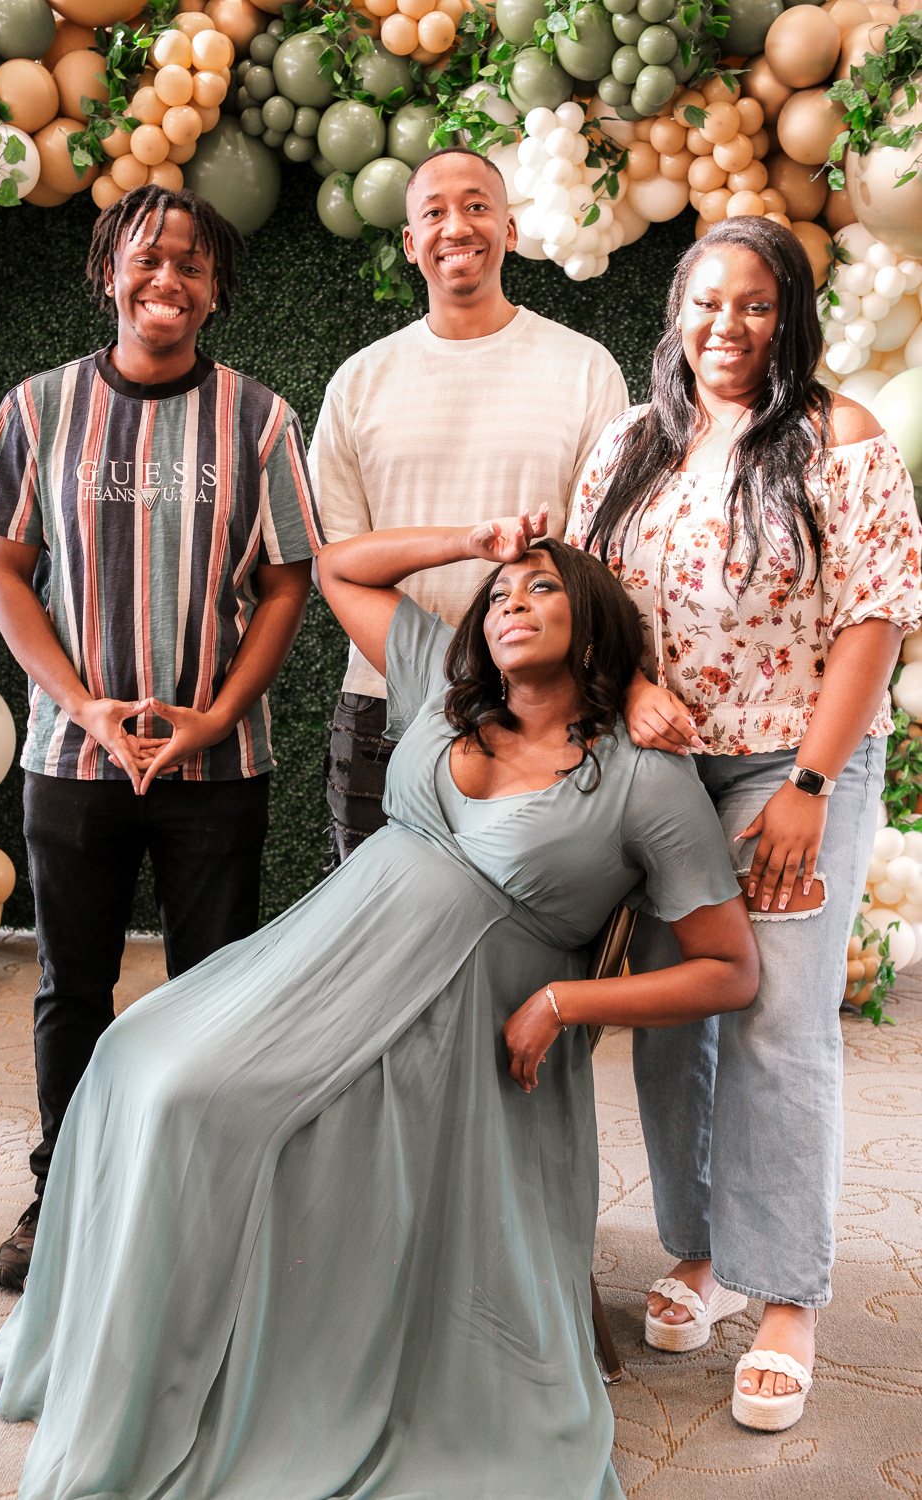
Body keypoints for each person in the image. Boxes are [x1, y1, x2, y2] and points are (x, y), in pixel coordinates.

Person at [0, 513, 760, 1500]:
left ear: (593, 620)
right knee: (134, 1059)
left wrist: (564, 999)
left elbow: (729, 970)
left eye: (541, 588)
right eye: (499, 596)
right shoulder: (445, 690)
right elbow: (341, 570)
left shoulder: (644, 777)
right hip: (320, 964)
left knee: (210, 1110)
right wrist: (479, 542)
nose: (510, 603)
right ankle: (92, 1354)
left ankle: (228, 1383)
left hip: (450, 1025)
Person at [565, 215, 922, 1434]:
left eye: (755, 305)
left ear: (789, 318)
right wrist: (630, 688)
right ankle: (706, 1249)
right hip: (662, 767)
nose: (727, 327)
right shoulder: (628, 441)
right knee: (676, 1019)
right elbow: (589, 596)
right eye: (707, 302)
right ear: (676, 310)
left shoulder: (841, 439)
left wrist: (806, 790)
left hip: (794, 761)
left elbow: (873, 620)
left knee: (774, 1022)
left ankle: (784, 1298)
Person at [0, 185, 323, 1292]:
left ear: (215, 292)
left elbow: (287, 582)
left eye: (191, 264)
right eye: (146, 257)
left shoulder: (260, 419)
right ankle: (62, 1194)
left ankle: (201, 1201)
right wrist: (80, 703)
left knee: (212, 993)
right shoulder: (38, 409)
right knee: (72, 986)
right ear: (107, 273)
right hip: (73, 760)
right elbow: (4, 571)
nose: (167, 278)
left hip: (218, 765)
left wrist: (218, 713)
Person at [309, 145, 628, 862]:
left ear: (509, 230)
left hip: (540, 711)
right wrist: (434, 676)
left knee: (525, 924)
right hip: (384, 704)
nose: (457, 226)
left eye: (477, 206)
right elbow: (341, 563)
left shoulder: (585, 369)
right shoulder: (358, 383)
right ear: (410, 242)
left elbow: (599, 559)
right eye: (435, 213)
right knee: (372, 920)